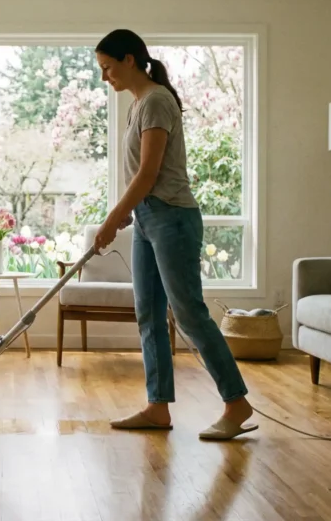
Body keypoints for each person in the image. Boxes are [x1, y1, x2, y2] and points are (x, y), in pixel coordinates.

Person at [92, 29, 256, 440]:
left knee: (188, 312)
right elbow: (143, 178)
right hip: (148, 218)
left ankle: (236, 404)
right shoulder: (137, 106)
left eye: (108, 67)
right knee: (148, 313)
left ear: (129, 60)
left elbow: (149, 172)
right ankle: (157, 407)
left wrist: (114, 217)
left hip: (173, 219)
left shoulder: (158, 101)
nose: (104, 77)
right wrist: (131, 214)